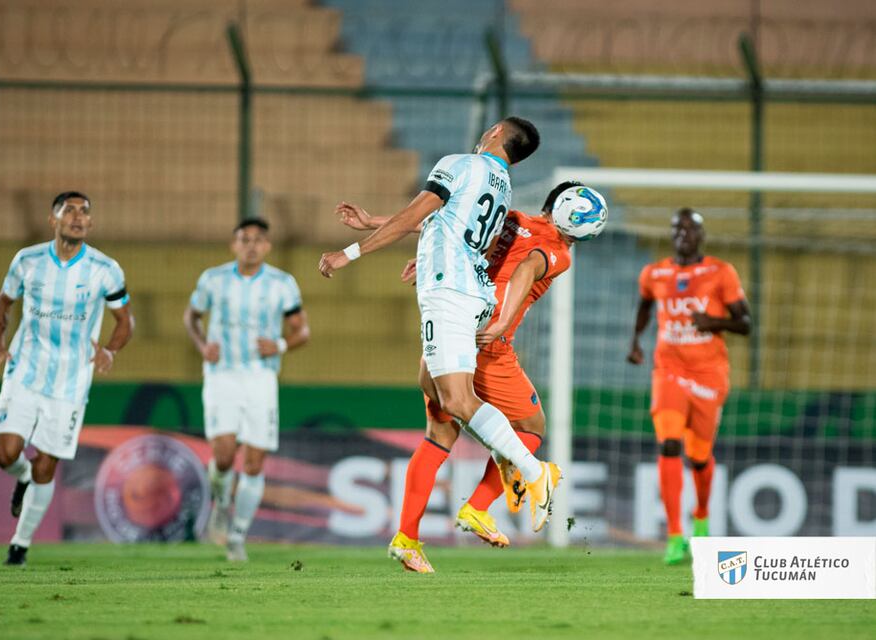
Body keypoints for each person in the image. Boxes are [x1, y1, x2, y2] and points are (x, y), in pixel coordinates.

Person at [319, 117, 562, 571]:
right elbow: (445, 225)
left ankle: (532, 470)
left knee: (455, 399)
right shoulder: (502, 186)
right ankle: (410, 538)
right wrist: (388, 227)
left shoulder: (462, 165)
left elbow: (420, 212)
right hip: (457, 290)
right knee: (436, 403)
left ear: (494, 133)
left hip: (450, 294)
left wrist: (348, 253)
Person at [341, 181, 597, 572]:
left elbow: (443, 222)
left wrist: (375, 224)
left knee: (439, 433)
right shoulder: (559, 252)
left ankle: (407, 538)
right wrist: (504, 321)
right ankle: (481, 505)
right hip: (486, 341)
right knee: (530, 425)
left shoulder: (510, 219)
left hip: (448, 321)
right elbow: (527, 269)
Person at [0, 191, 134, 566]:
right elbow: (3, 304)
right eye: (70, 211)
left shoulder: (105, 269)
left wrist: (110, 351)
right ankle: (21, 478)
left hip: (70, 382)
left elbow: (125, 320)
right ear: (53, 220)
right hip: (25, 370)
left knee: (46, 467)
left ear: (91, 223)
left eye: (85, 211)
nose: (78, 217)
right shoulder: (28, 260)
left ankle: (19, 546)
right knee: (6, 455)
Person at [627, 208, 751, 565]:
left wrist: (712, 321)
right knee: (668, 443)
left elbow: (746, 323)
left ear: (701, 235)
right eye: (676, 229)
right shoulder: (654, 273)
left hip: (709, 375)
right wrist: (636, 341)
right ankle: (674, 536)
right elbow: (644, 306)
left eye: (689, 229)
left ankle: (700, 517)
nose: (682, 234)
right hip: (668, 369)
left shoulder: (720, 272)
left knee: (699, 457)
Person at [184, 217, 310, 562]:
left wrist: (280, 345)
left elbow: (302, 330)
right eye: (244, 239)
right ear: (234, 244)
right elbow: (191, 317)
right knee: (223, 455)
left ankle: (237, 536)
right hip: (221, 374)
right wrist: (200, 344)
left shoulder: (282, 284)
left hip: (260, 377)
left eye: (257, 240)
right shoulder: (213, 279)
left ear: (266, 246)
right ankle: (221, 503)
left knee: (254, 462)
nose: (251, 245)